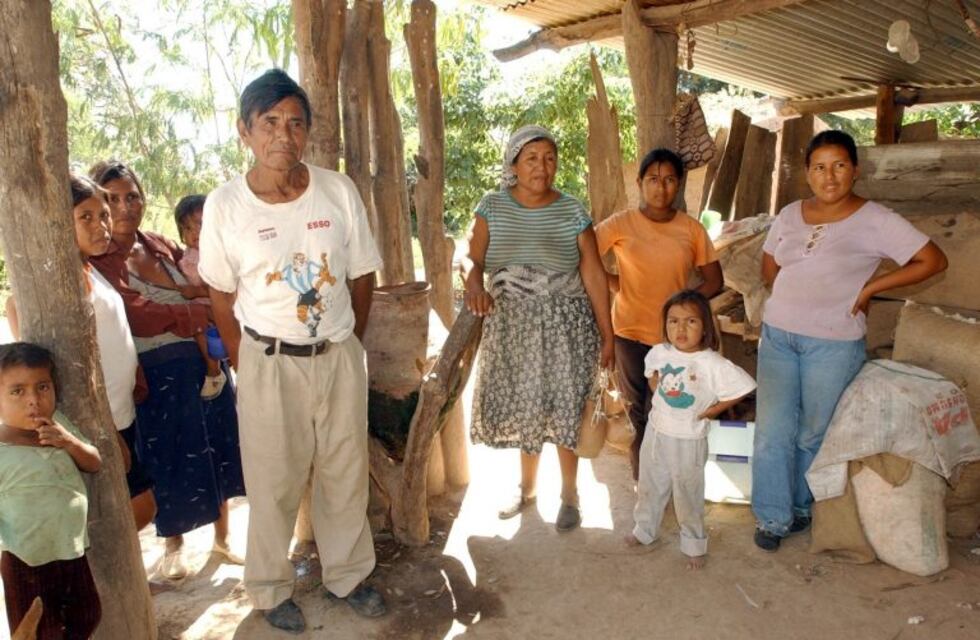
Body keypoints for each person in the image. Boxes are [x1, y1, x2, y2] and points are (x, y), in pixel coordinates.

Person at [198, 68, 386, 634]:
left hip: (336, 356)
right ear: (245, 132)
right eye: (270, 122)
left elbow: (361, 275)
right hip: (266, 361)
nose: (284, 134)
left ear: (308, 132)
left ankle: (350, 575)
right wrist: (245, 359)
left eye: (295, 123)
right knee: (272, 479)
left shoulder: (337, 189)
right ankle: (271, 589)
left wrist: (347, 339)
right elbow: (220, 292)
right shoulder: (226, 205)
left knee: (344, 470)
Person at [751, 130, 948, 552]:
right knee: (772, 433)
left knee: (812, 433)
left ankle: (802, 508)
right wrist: (793, 290)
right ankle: (772, 516)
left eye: (839, 165)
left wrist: (871, 288)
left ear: (855, 170)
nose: (830, 176)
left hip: (833, 343)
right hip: (779, 337)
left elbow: (932, 260)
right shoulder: (788, 214)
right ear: (807, 173)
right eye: (819, 167)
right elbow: (769, 264)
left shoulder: (876, 219)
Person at [89, 160, 245, 579]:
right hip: (158, 375)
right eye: (112, 199)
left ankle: (222, 539)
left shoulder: (155, 242)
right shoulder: (100, 258)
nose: (125, 207)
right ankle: (173, 543)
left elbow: (205, 275)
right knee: (169, 459)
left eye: (132, 196)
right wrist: (196, 311)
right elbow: (138, 314)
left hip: (204, 363)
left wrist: (202, 310)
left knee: (216, 448)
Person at [462, 124, 614, 532]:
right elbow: (471, 257)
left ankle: (569, 494)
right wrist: (474, 283)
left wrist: (608, 334)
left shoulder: (572, 210)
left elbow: (595, 275)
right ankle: (526, 490)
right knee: (530, 405)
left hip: (568, 328)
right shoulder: (492, 205)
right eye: (532, 158)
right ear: (513, 163)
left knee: (565, 408)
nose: (542, 167)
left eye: (549, 158)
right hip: (515, 330)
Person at [6, 174, 157, 532]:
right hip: (97, 418)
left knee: (130, 506)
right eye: (86, 217)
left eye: (102, 215)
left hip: (121, 410)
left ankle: (120, 585)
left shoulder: (88, 268)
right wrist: (101, 425)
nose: (101, 225)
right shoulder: (56, 281)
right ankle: (109, 586)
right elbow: (18, 314)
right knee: (131, 507)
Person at [595, 148, 723, 480]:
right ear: (639, 183)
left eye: (669, 180)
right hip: (630, 335)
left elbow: (714, 281)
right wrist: (614, 284)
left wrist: (683, 306)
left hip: (675, 342)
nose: (660, 188)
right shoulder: (621, 223)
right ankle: (646, 487)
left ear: (678, 184)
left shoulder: (691, 230)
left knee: (673, 413)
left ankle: (673, 481)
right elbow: (585, 256)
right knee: (640, 414)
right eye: (653, 179)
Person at [625, 290, 755, 570]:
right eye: (673, 321)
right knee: (650, 484)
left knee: (687, 491)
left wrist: (711, 411)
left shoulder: (712, 363)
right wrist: (658, 393)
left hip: (689, 439)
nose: (680, 328)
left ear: (705, 326)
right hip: (656, 432)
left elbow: (743, 386)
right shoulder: (660, 352)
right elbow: (653, 376)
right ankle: (645, 529)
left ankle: (693, 542)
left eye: (690, 322)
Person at [0, 342, 103, 639]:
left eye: (43, 387)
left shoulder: (59, 424)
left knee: (87, 615)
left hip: (70, 549)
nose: (34, 400)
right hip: (26, 561)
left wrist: (68, 441)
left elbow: (94, 463)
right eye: (17, 391)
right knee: (37, 630)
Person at [173, 194, 226, 399]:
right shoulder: (187, 256)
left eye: (200, 225)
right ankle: (214, 368)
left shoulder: (217, 254)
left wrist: (196, 291)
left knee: (202, 328)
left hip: (219, 309)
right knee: (197, 327)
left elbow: (221, 289)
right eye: (187, 228)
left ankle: (215, 371)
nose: (195, 233)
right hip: (202, 310)